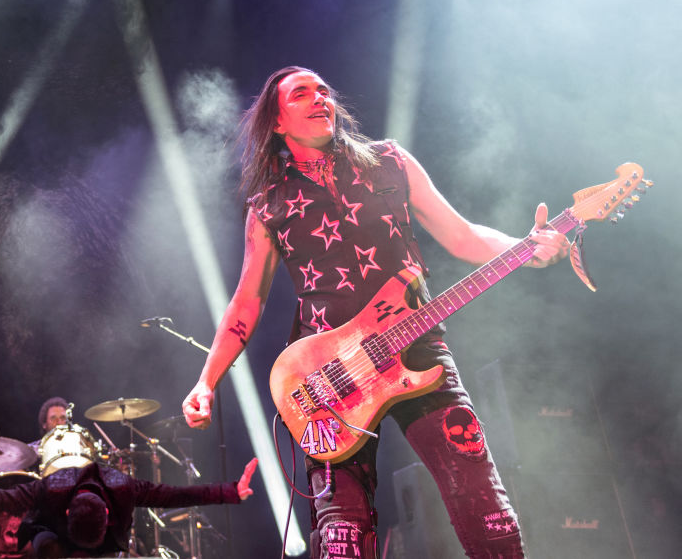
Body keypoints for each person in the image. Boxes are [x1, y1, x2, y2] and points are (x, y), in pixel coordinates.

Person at [181, 66, 570, 558]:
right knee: (342, 535)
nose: (320, 98)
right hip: (327, 379)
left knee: (483, 502)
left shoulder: (389, 160)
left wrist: (524, 248)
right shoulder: (268, 204)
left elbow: (462, 236)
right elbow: (247, 300)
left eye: (324, 90)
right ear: (277, 123)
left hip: (420, 351)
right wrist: (206, 381)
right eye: (302, 94)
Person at [0, 458, 259, 558]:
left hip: (100, 547)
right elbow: (1, 499)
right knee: (47, 549)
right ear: (66, 513)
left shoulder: (122, 488)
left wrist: (231, 491)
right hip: (53, 537)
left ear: (108, 518)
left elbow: (171, 495)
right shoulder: (53, 487)